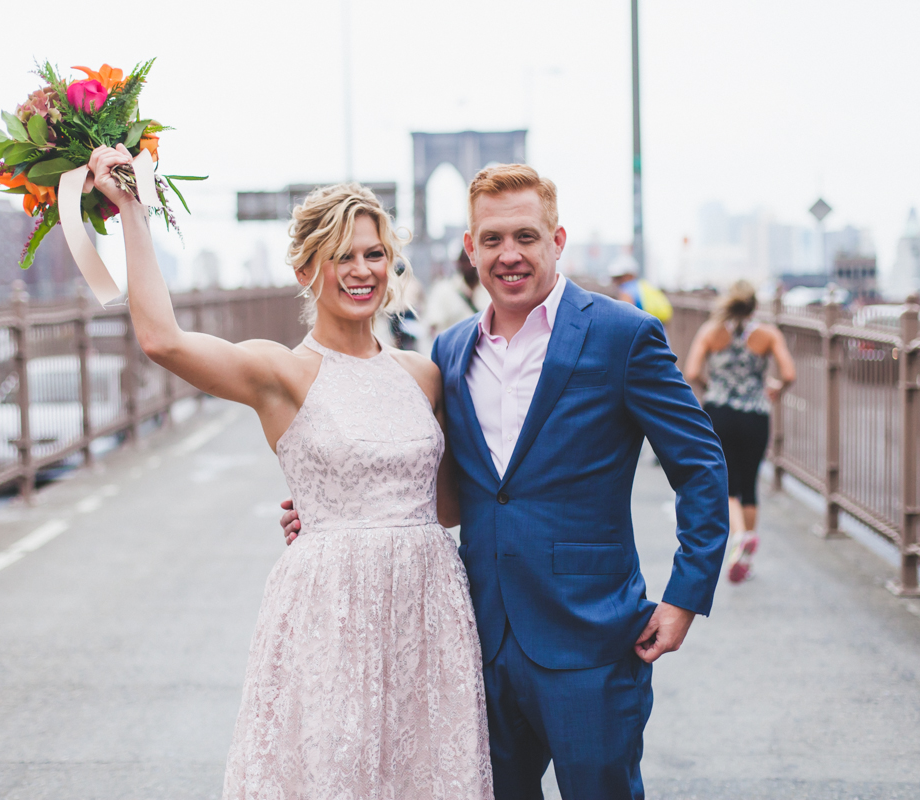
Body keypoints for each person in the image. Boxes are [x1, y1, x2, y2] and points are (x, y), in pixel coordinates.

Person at [284, 164, 729, 800]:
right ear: (470, 248)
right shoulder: (449, 352)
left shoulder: (622, 335)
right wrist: (329, 510)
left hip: (593, 643)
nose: (509, 254)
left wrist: (686, 596)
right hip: (478, 645)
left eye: (525, 236)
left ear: (557, 239)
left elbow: (702, 464)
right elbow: (432, 482)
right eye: (492, 239)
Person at [85, 145, 493, 799]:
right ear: (308, 269)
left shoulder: (425, 375)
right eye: (342, 256)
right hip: (328, 609)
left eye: (374, 254)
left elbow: (446, 506)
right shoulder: (282, 372)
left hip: (428, 607)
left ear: (391, 266)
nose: (361, 271)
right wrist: (133, 209)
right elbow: (162, 340)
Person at [682, 280, 796, 583]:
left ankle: (740, 536)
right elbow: (789, 373)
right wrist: (775, 390)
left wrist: (713, 390)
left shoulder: (710, 331)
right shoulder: (767, 334)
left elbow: (692, 372)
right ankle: (746, 552)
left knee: (726, 483)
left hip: (719, 413)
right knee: (749, 483)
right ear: (754, 305)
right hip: (755, 414)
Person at [425, 247, 491, 337]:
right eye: (465, 261)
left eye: (473, 260)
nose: (469, 265)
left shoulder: (490, 290)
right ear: (458, 263)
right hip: (454, 349)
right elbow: (434, 326)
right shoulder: (443, 290)